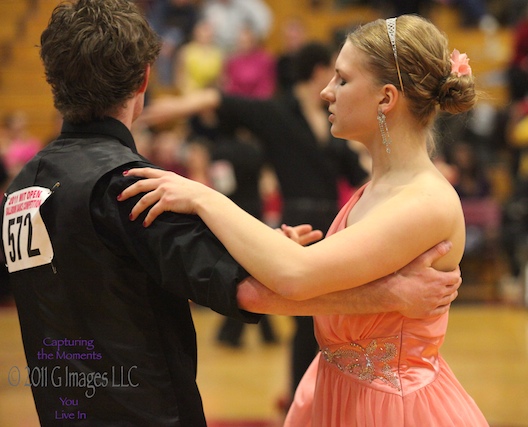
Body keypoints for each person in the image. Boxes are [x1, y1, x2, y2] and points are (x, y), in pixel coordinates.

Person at [1, 2, 462, 425]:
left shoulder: (24, 188)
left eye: (341, 79)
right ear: (144, 79)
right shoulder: (131, 186)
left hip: (61, 407)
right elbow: (259, 290)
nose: (326, 92)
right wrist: (392, 296)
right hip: (143, 411)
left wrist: (255, 235)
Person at [121, 14, 488, 426]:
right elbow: (298, 282)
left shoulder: (426, 202)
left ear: (386, 99)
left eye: (343, 80)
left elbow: (295, 277)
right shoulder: (377, 187)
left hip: (391, 410)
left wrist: (202, 197)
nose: (327, 92)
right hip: (338, 392)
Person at [135, 41, 372, 411]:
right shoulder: (278, 113)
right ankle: (300, 398)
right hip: (301, 222)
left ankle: (325, 395)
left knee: (333, 320)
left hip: (336, 225)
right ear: (318, 72)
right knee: (306, 321)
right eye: (334, 75)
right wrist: (174, 107)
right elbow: (221, 101)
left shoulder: (331, 123)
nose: (335, 87)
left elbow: (358, 173)